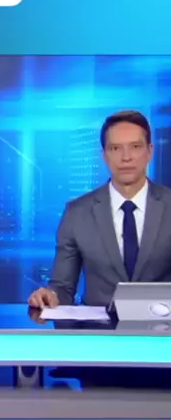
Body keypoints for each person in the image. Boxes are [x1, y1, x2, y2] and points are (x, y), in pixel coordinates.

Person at [28, 110, 171, 309]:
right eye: (115, 148)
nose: (126, 157)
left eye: (135, 147)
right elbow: (62, 287)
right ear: (104, 155)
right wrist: (49, 296)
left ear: (150, 151)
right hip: (97, 326)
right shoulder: (77, 212)